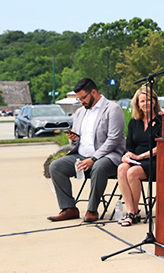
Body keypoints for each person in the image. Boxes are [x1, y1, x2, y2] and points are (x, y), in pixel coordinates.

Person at [48, 78, 125, 222]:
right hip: (81, 155)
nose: (81, 102)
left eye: (83, 98)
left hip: (108, 157)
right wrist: (74, 138)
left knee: (99, 167)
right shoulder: (80, 112)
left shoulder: (112, 109)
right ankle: (69, 208)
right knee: (56, 167)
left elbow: (113, 139)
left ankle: (92, 210)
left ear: (94, 92)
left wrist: (93, 158)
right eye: (79, 99)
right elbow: (75, 141)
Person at [116, 85, 161, 227]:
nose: (145, 103)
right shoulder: (134, 122)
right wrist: (127, 155)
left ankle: (131, 213)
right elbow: (129, 145)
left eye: (148, 100)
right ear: (137, 105)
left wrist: (139, 157)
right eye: (142, 101)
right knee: (122, 168)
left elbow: (161, 147)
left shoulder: (161, 120)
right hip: (136, 158)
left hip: (155, 160)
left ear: (154, 101)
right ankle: (132, 211)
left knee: (132, 172)